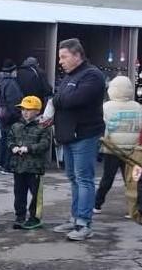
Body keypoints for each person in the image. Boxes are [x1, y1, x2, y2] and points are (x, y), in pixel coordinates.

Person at [49, 38, 106, 241]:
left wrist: (56, 100)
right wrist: (58, 101)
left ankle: (84, 223)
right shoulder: (69, 77)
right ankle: (75, 218)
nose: (61, 61)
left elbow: (74, 99)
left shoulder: (92, 75)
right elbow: (62, 97)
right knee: (74, 178)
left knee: (84, 179)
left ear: (77, 55)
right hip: (69, 136)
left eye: (64, 57)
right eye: (60, 57)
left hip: (84, 135)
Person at [94, 76, 142, 216]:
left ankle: (97, 204)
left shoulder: (106, 107)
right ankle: (131, 209)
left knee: (107, 178)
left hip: (112, 149)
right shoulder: (138, 107)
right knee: (132, 181)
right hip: (132, 151)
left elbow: (101, 127)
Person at [7, 96, 50, 230]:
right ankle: (20, 216)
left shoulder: (42, 127)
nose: (25, 112)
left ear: (37, 111)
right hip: (18, 166)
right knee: (19, 193)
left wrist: (30, 148)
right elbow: (9, 139)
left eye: (29, 109)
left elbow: (45, 144)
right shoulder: (16, 126)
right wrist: (13, 147)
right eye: (23, 109)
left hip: (34, 167)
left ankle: (34, 217)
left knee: (36, 194)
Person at [0, 59, 24, 175]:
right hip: (9, 117)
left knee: (2, 140)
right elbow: (14, 102)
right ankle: (6, 165)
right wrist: (17, 114)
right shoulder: (11, 83)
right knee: (9, 140)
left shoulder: (0, 81)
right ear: (13, 71)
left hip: (0, 115)